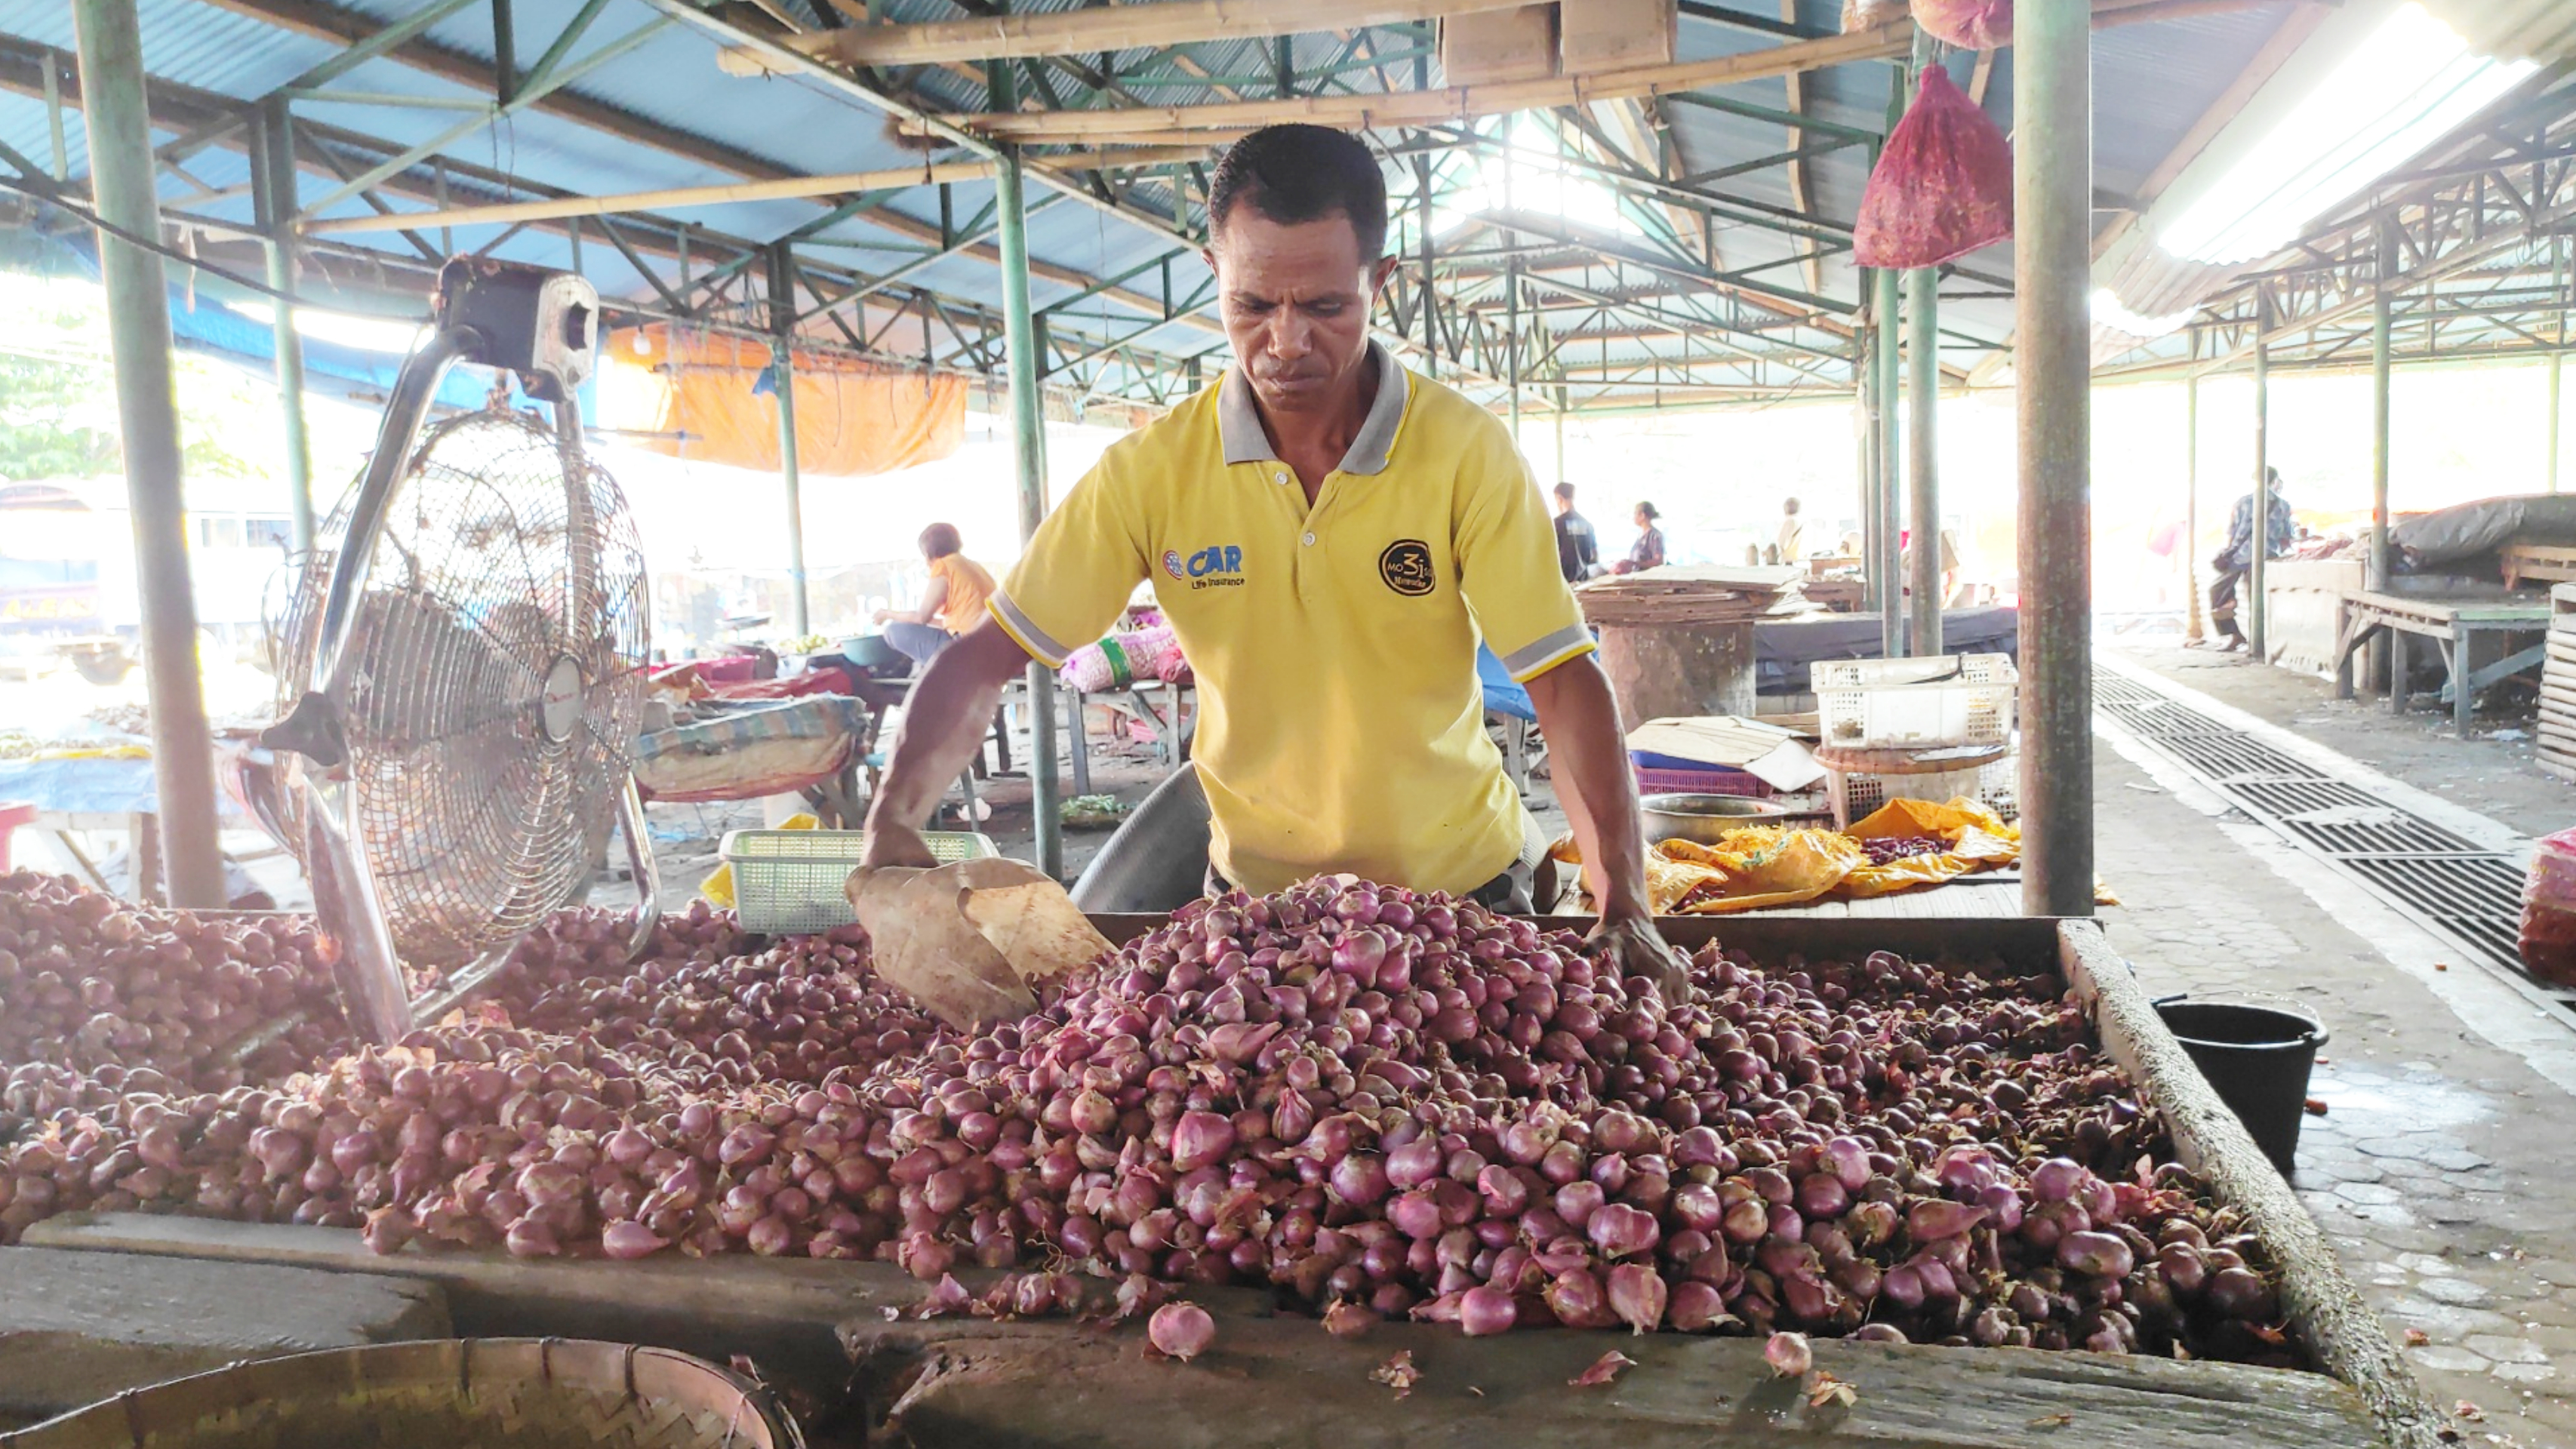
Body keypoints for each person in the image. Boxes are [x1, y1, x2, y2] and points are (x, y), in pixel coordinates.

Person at [854, 122, 1685, 999]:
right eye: (1252, 305)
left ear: (1381, 283)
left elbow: (1558, 676)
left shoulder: (1463, 454)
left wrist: (1620, 896)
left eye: (1325, 307)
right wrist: (893, 819)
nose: (1285, 343)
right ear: (1214, 275)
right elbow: (987, 656)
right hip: (1255, 914)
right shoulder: (1149, 473)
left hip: (1459, 897)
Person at [873, 523, 995, 666]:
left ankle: (938, 674)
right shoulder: (973, 566)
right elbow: (953, 622)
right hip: (989, 646)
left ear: (929, 553)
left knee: (893, 630)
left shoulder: (944, 566)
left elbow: (921, 617)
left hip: (966, 647)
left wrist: (887, 614)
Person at [2202, 469, 2294, 653]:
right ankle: (2259, 643)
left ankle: (2235, 635)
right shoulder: (2283, 505)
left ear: (2254, 479)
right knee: (2257, 601)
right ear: (2275, 481)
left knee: (2217, 593)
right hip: (2268, 557)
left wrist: (2228, 552)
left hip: (2240, 557)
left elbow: (2232, 532)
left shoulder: (2242, 502)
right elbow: (2286, 538)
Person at [1551, 481, 1599, 583]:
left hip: (1562, 581)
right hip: (1583, 581)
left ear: (1559, 499)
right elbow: (1595, 555)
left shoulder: (1556, 524)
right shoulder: (1587, 525)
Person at [1612, 501, 1665, 574]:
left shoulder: (1655, 536)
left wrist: (1636, 564)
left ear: (1642, 515)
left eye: (1635, 514)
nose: (1634, 517)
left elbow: (1658, 561)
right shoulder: (1641, 535)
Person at [1776, 497, 1805, 568]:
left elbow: (1781, 543)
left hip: (1788, 564)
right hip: (1800, 562)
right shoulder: (1802, 522)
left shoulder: (1789, 522)